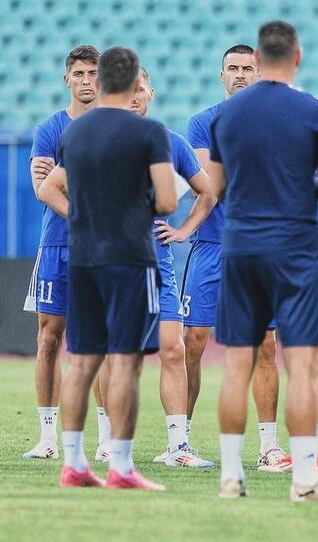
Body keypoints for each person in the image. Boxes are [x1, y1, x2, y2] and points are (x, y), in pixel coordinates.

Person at [208, 21, 318, 502]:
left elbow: (216, 187)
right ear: (297, 57)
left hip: (241, 245)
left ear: (259, 57)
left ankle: (231, 477)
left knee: (236, 364)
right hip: (295, 249)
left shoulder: (227, 115)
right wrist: (302, 181)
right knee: (303, 363)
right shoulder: (316, 113)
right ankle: (305, 480)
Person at [38, 46, 177, 489]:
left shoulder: (75, 134)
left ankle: (74, 463)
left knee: (81, 361)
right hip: (131, 258)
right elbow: (169, 201)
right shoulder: (150, 133)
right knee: (124, 362)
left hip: (83, 257)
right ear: (136, 81)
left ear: (101, 82)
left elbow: (50, 186)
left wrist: (83, 214)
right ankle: (120, 465)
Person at [183, 45, 289, 471]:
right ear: (221, 75)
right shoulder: (202, 122)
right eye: (233, 68)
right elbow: (210, 185)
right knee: (192, 342)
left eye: (248, 68)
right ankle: (180, 440)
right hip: (211, 246)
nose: (241, 74)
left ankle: (268, 446)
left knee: (264, 344)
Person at [127, 68, 217, 468]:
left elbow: (207, 191)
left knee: (174, 349)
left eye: (140, 89)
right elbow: (54, 186)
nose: (134, 96)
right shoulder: (96, 138)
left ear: (151, 93)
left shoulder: (169, 141)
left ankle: (178, 446)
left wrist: (183, 230)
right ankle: (108, 443)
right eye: (127, 88)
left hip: (158, 263)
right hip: (112, 264)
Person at [22, 45, 105, 461]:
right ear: (67, 79)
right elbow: (43, 190)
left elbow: (55, 183)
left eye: (93, 73)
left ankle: (107, 440)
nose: (86, 80)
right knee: (50, 338)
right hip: (57, 244)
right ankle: (48, 436)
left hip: (105, 251)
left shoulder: (113, 127)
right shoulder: (50, 129)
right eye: (79, 74)